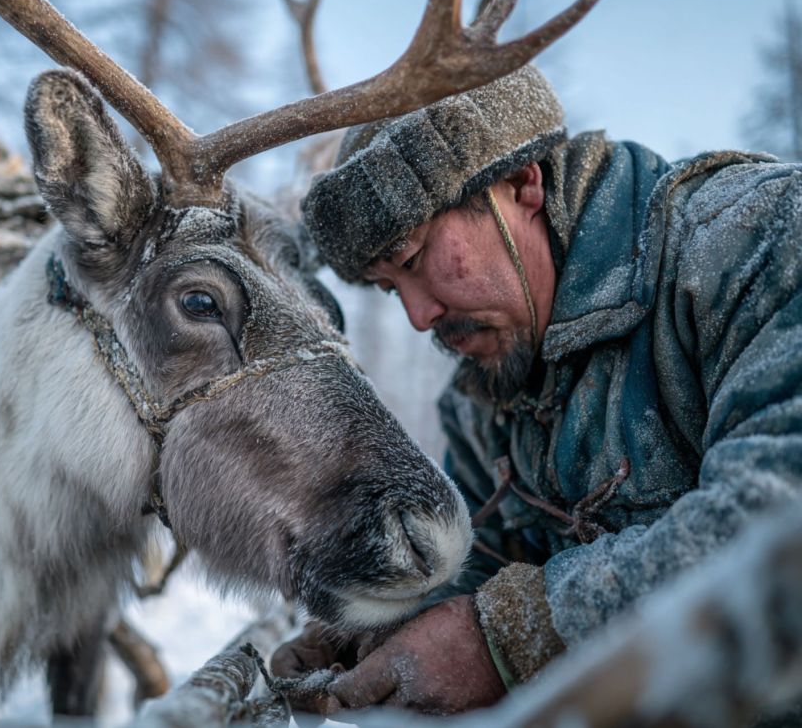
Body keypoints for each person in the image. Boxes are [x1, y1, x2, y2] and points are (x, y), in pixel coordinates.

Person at [272, 65, 802, 718]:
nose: (418, 316)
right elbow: (483, 564)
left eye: (413, 259)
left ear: (523, 181)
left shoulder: (756, 240)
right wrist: (380, 622)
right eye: (389, 288)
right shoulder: (480, 407)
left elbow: (780, 515)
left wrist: (518, 632)